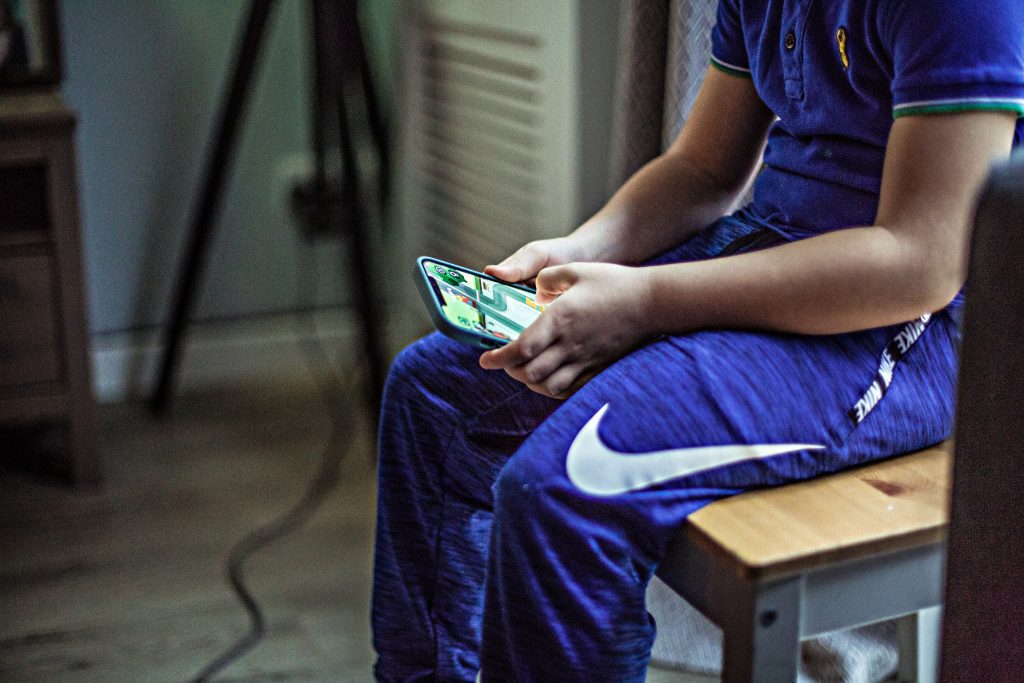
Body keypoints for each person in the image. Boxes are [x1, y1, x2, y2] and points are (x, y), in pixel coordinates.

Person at [372, 0, 1024, 680]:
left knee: (562, 494)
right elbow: (705, 169)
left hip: (898, 332)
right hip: (767, 243)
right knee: (436, 391)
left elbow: (920, 262)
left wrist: (647, 302)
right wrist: (576, 250)